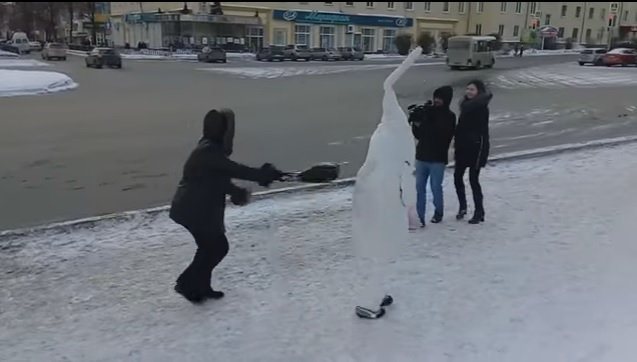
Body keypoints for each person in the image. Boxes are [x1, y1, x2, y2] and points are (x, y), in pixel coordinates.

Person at [169, 108, 283, 304]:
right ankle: (186, 284)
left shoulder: (208, 149)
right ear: (223, 131)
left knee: (209, 248)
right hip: (193, 211)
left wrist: (235, 192)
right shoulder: (208, 153)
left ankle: (202, 287)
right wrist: (262, 174)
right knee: (217, 247)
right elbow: (235, 169)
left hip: (195, 209)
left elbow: (216, 177)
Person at [352, 46, 422, 319]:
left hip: (370, 200)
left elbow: (367, 168)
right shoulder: (398, 145)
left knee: (375, 252)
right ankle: (368, 304)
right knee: (381, 253)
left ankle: (376, 293)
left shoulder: (380, 136)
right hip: (386, 203)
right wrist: (411, 207)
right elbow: (408, 185)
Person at [409, 85, 457, 227]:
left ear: (446, 100)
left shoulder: (450, 116)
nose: (436, 101)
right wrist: (416, 123)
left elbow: (443, 136)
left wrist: (426, 122)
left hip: (437, 159)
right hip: (422, 156)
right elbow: (420, 135)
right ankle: (420, 217)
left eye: (440, 98)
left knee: (435, 186)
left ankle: (438, 212)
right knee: (419, 187)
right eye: (435, 97)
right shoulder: (428, 112)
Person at [454, 80, 492, 225]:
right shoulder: (465, 106)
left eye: (472, 89)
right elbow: (461, 127)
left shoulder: (481, 108)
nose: (469, 91)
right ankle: (462, 207)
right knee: (457, 177)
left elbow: (482, 133)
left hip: (476, 149)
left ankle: (479, 211)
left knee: (473, 180)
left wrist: (481, 153)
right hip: (463, 148)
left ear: (479, 92)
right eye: (467, 89)